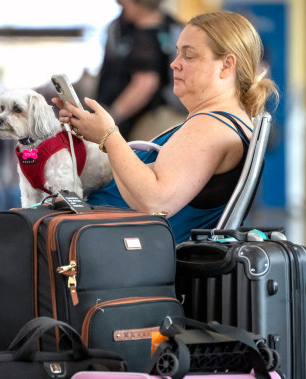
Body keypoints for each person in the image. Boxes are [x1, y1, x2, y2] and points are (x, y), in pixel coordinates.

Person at [54, 11, 277, 243]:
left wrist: (108, 136)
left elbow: (155, 202)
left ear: (226, 65)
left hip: (117, 254)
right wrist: (95, 134)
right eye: (177, 53)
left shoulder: (211, 126)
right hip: (112, 244)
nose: (174, 64)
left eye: (188, 56)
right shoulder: (222, 122)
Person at [96, 0, 185, 140]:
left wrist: (111, 118)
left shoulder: (145, 36)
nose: (119, 4)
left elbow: (145, 83)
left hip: (143, 120)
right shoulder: (172, 25)